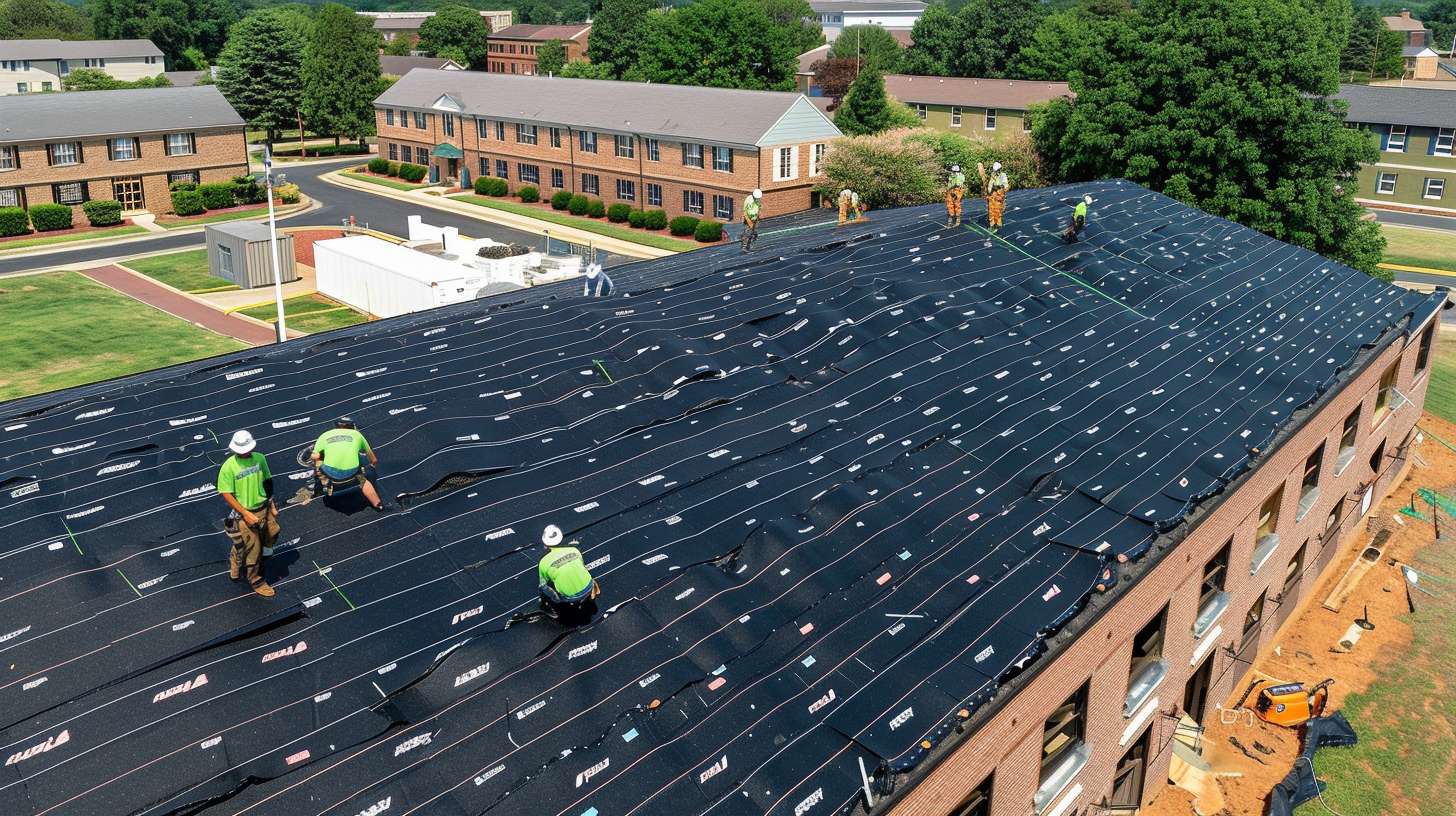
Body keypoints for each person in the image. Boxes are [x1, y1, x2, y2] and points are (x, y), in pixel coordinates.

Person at [217, 430, 277, 598]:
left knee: (273, 532)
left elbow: (267, 481)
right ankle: (256, 580)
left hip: (263, 506)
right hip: (245, 513)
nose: (245, 452)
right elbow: (226, 493)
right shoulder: (229, 466)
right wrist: (245, 513)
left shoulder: (259, 458)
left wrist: (271, 504)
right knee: (253, 549)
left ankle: (241, 558)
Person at [312, 417, 384, 511]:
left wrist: (323, 458)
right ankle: (378, 505)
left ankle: (324, 483)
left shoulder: (324, 435)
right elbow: (373, 460)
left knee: (319, 458)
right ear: (352, 426)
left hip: (330, 473)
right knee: (364, 480)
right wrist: (370, 467)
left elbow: (314, 456)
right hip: (352, 472)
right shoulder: (357, 434)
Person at [537, 524, 599, 624]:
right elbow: (582, 567)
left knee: (543, 587)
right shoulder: (575, 550)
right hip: (589, 588)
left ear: (545, 544)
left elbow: (543, 583)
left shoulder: (543, 562)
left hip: (571, 599)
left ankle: (548, 608)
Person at [978, 161, 1009, 231]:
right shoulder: (993, 174)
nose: (995, 172)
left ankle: (998, 224)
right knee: (991, 209)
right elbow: (990, 184)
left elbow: (1006, 186)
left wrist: (999, 187)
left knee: (998, 210)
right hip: (992, 194)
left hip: (999, 194)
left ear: (999, 169)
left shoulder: (1003, 175)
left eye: (997, 171)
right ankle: (992, 224)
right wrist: (988, 191)